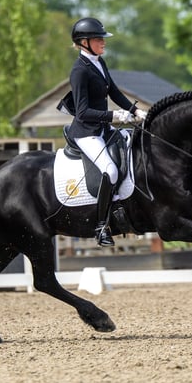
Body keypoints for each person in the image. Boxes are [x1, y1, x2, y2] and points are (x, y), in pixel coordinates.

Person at [63, 17, 147, 247]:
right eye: (99, 39)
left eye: (102, 38)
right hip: (86, 133)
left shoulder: (99, 62)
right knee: (109, 171)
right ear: (84, 42)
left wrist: (136, 111)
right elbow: (82, 112)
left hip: (103, 128)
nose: (103, 42)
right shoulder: (79, 71)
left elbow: (115, 93)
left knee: (132, 150)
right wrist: (113, 116)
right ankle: (101, 226)